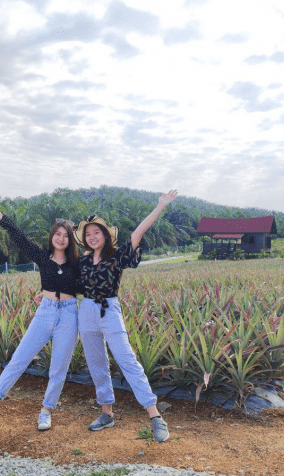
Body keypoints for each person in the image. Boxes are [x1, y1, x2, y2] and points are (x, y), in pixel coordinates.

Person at [0, 197, 81, 431]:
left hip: (69, 315)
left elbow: (82, 287)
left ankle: (46, 411)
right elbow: (20, 237)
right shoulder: (42, 257)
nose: (60, 238)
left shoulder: (77, 263)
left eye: (65, 235)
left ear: (70, 240)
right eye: (57, 234)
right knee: (20, 358)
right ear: (52, 236)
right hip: (45, 313)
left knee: (58, 368)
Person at [73, 190, 178, 443]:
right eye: (88, 234)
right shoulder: (84, 261)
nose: (92, 236)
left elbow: (137, 234)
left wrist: (159, 206)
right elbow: (70, 285)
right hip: (86, 311)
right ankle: (106, 413)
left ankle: (155, 416)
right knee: (96, 363)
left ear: (106, 235)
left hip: (109, 309)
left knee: (126, 359)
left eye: (97, 232)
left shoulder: (117, 255)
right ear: (84, 239)